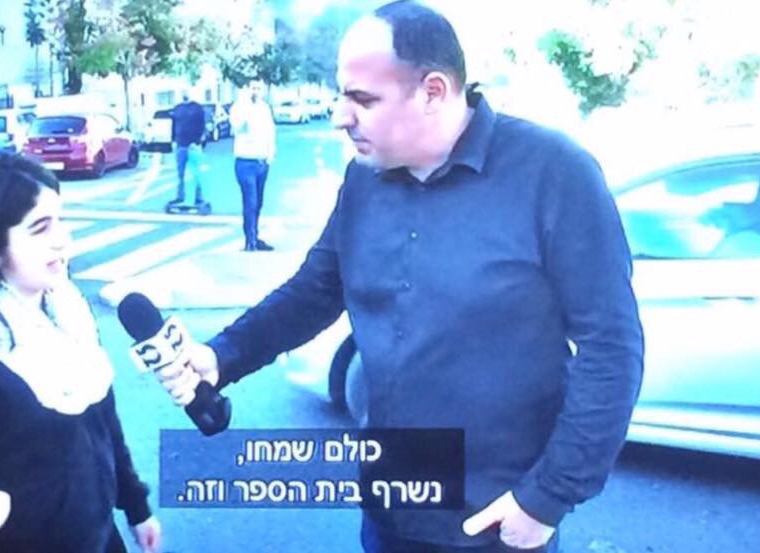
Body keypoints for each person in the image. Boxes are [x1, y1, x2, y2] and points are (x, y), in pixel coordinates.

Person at [160, 1, 644, 552]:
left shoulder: (554, 174)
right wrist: (223, 355)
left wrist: (547, 498)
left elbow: (612, 348)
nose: (340, 116)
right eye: (341, 96)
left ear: (433, 91)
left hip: (497, 524)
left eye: (363, 99)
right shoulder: (364, 179)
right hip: (389, 512)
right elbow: (315, 290)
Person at [0, 154, 162, 553]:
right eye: (40, 228)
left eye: (60, 220)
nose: (62, 239)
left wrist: (136, 507)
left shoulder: (68, 314)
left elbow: (103, 423)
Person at [229, 80, 277, 251]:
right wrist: (246, 107)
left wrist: (270, 154)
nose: (255, 91)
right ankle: (250, 241)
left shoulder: (265, 108)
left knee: (258, 203)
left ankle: (255, 236)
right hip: (245, 161)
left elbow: (270, 132)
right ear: (247, 89)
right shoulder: (239, 108)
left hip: (261, 161)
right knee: (250, 201)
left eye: (258, 88)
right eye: (252, 88)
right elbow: (237, 127)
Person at [167, 92, 209, 211]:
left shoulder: (197, 108)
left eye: (187, 91)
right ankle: (180, 196)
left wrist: (197, 141)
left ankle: (199, 198)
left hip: (194, 145)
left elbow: (202, 125)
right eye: (183, 91)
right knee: (180, 173)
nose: (185, 93)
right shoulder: (177, 108)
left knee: (196, 172)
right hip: (180, 144)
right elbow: (174, 125)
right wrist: (173, 140)